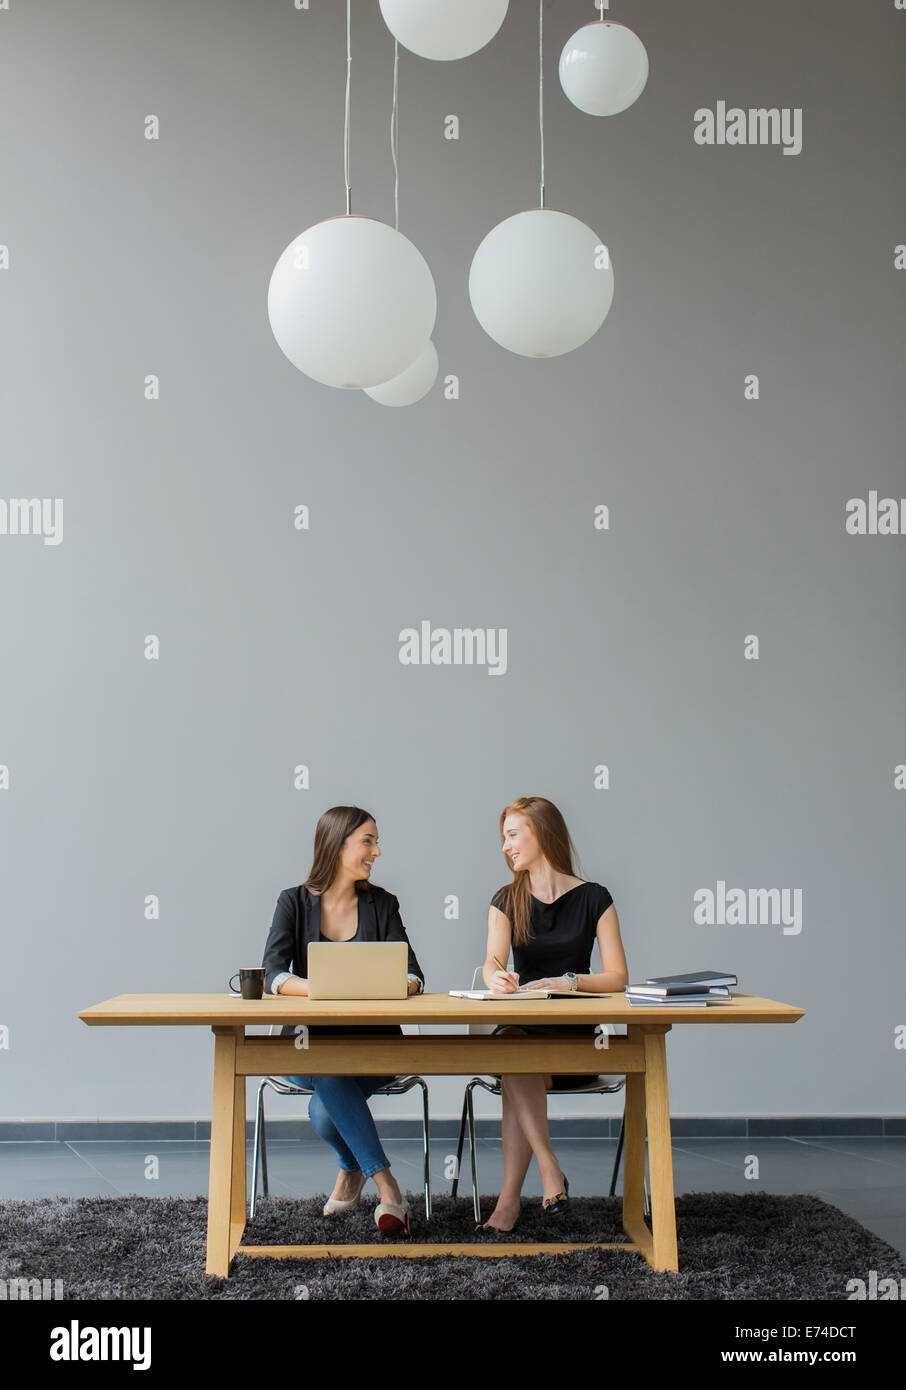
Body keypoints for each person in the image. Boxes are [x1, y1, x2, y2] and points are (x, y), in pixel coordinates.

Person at [262, 805, 424, 1238]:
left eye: (376, 841)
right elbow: (273, 975)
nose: (377, 851)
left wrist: (397, 984)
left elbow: (414, 974)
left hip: (376, 1047)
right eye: (368, 841)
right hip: (303, 1046)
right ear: (338, 845)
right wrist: (322, 988)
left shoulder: (383, 904)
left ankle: (352, 1170)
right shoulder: (292, 902)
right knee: (327, 1070)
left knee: (323, 1105)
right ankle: (389, 1189)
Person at [481, 796, 629, 1233]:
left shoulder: (594, 898)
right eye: (503, 837)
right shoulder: (506, 900)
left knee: (515, 1069)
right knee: (514, 1050)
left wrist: (570, 982)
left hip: (576, 1041)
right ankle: (549, 1170)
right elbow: (492, 961)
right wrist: (495, 978)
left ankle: (509, 1204)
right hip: (523, 1029)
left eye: (513, 835)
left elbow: (618, 976)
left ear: (542, 833)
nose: (506, 847)